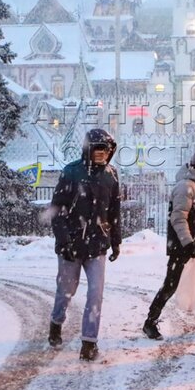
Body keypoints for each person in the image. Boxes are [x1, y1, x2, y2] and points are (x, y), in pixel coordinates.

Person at [49, 128, 122, 361]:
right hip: (71, 244)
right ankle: (56, 322)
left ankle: (89, 343)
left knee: (95, 293)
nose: (102, 154)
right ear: (88, 150)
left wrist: (116, 241)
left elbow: (114, 211)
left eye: (106, 150)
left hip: (97, 244)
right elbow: (57, 210)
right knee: (66, 291)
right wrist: (64, 240)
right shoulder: (71, 173)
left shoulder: (111, 176)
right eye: (98, 149)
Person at [143, 151, 195, 339]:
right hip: (183, 246)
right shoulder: (185, 187)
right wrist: (188, 242)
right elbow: (178, 218)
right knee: (171, 284)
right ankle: (150, 321)